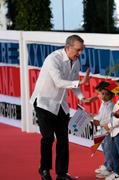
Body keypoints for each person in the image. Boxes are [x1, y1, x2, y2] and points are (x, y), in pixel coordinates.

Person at [30, 35, 90, 180]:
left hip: (61, 105)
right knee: (48, 138)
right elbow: (59, 82)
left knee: (63, 139)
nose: (80, 53)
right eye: (78, 50)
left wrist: (83, 98)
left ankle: (61, 173)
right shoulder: (53, 59)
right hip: (44, 103)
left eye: (82, 50)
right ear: (68, 47)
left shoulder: (75, 61)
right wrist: (80, 83)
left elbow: (74, 81)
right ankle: (44, 169)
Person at [93, 82, 115, 179]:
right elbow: (101, 115)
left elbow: (108, 120)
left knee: (108, 150)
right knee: (105, 150)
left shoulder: (111, 106)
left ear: (112, 95)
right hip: (102, 131)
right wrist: (94, 118)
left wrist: (100, 123)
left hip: (108, 132)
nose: (103, 96)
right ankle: (106, 165)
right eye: (102, 94)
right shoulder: (104, 104)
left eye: (106, 94)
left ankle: (109, 168)